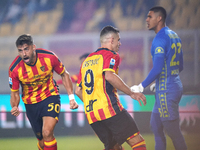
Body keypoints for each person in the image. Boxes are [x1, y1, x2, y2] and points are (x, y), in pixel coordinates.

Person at [75, 25, 147, 150]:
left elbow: (78, 91)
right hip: (109, 108)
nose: (120, 43)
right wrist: (131, 93)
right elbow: (109, 76)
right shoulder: (110, 55)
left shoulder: (87, 61)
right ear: (112, 40)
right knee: (138, 142)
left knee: (114, 147)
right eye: (118, 40)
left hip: (92, 114)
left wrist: (92, 105)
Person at [130, 6, 187, 150]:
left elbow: (157, 68)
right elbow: (180, 66)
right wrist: (161, 81)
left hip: (166, 90)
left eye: (150, 17)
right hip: (171, 85)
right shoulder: (174, 35)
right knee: (156, 125)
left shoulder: (159, 39)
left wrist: (141, 86)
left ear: (159, 18)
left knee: (173, 132)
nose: (146, 20)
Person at [8, 34, 78, 150]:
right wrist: (14, 106)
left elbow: (64, 74)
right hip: (31, 104)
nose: (24, 54)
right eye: (20, 51)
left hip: (50, 95)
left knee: (47, 132)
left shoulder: (49, 57)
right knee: (41, 142)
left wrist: (71, 97)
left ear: (33, 47)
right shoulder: (15, 69)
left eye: (26, 49)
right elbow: (14, 92)